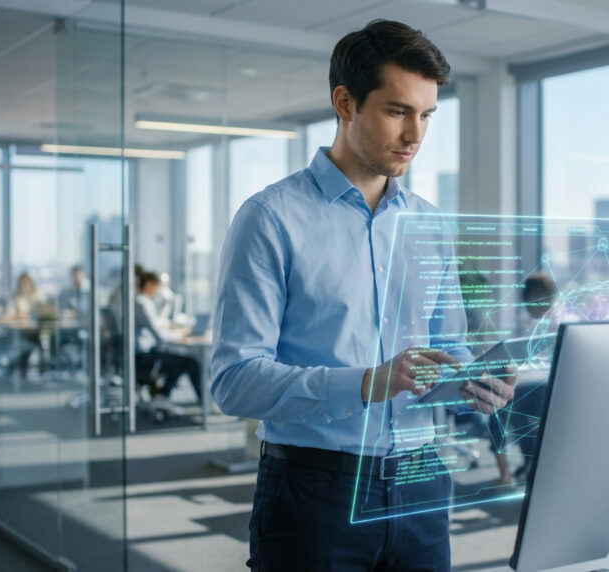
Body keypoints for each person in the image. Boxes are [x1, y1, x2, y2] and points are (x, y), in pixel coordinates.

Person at [210, 20, 516, 571]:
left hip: (423, 481)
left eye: (425, 115)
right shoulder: (270, 219)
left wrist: (475, 381)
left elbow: (449, 347)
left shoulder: (430, 225)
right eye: (397, 111)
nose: (414, 135)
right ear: (345, 103)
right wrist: (368, 383)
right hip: (314, 490)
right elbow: (233, 382)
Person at [134, 271, 202, 410]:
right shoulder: (142, 303)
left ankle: (162, 394)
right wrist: (181, 332)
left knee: (181, 361)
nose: (161, 291)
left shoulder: (143, 302)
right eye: (159, 286)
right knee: (190, 362)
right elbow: (161, 336)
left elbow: (158, 324)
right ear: (149, 285)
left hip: (144, 354)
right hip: (144, 357)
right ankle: (205, 404)